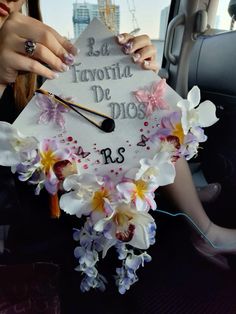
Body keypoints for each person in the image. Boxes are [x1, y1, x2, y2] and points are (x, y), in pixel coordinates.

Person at [0, 0, 235, 311]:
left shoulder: (41, 53)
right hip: (44, 226)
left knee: (146, 115)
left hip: (98, 199)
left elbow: (86, 118)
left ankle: (196, 218)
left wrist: (131, 76)